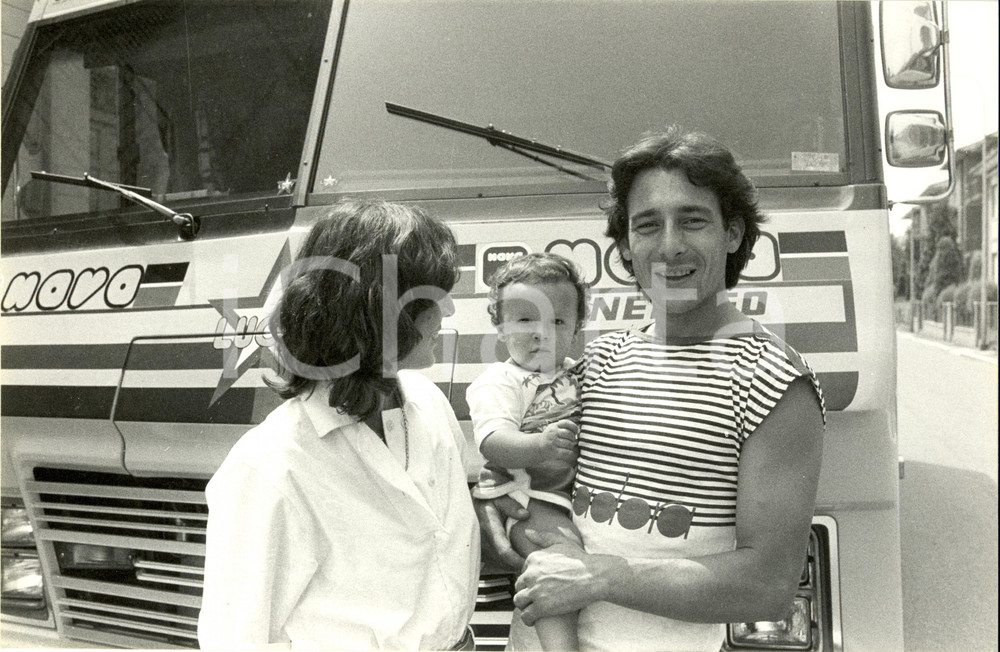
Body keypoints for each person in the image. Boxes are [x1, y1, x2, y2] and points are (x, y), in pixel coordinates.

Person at [477, 126, 826, 651]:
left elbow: (767, 585)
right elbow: (524, 472)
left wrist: (599, 577)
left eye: (693, 220)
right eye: (647, 225)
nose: (669, 246)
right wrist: (492, 507)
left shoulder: (773, 381)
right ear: (624, 246)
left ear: (732, 234)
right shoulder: (594, 363)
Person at [198, 199, 479, 650]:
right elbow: (238, 640)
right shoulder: (270, 465)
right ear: (380, 309)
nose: (446, 316)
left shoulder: (428, 402)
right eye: (432, 301)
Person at [467, 252, 587, 650]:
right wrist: (540, 443)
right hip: (524, 495)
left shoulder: (576, 373)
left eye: (557, 321)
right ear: (499, 327)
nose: (542, 333)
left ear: (577, 327)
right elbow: (493, 442)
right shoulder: (502, 381)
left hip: (559, 495)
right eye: (525, 320)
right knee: (558, 563)